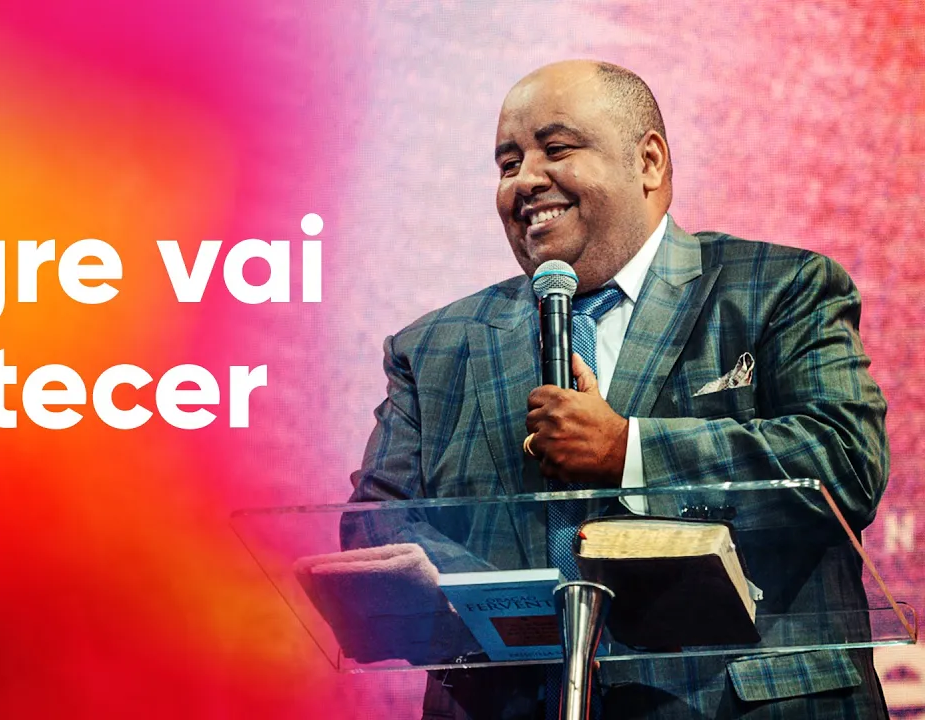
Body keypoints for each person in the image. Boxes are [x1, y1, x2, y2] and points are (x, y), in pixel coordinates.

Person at [347, 60, 890, 719]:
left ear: (649, 162)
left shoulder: (780, 288)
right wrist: (509, 608)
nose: (525, 180)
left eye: (556, 149)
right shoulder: (433, 348)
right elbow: (376, 528)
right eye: (508, 163)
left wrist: (628, 451)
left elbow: (844, 461)